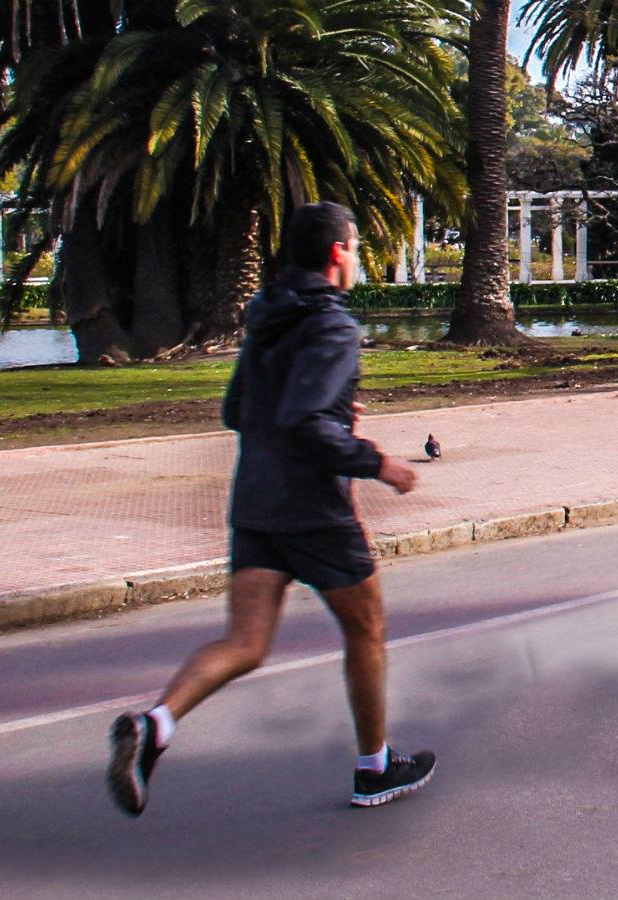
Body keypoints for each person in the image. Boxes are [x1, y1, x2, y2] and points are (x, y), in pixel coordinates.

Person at [107, 201, 432, 816]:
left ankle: (157, 724)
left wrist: (332, 415)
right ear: (338, 251)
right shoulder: (333, 325)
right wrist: (377, 462)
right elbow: (306, 422)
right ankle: (374, 767)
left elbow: (240, 412)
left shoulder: (267, 316)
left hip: (255, 501)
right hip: (313, 510)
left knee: (245, 642)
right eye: (357, 243)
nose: (358, 255)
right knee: (367, 630)